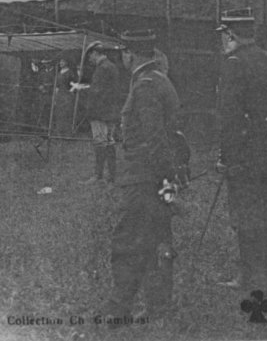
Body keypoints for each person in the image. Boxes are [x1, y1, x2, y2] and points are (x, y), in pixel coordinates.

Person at [102, 29, 182, 324]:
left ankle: (118, 308)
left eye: (122, 53)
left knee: (128, 241)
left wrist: (160, 178)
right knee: (157, 241)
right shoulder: (158, 79)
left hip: (143, 178)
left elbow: (153, 138)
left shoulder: (146, 85)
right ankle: (158, 306)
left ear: (129, 53)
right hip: (155, 176)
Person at [214, 8, 267, 296]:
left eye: (223, 34)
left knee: (246, 216)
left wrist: (226, 157)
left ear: (231, 33)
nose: (222, 40)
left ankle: (248, 277)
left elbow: (230, 118)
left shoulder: (233, 64)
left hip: (244, 157)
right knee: (266, 212)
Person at [78, 42, 122, 184]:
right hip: (111, 111)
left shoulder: (101, 68)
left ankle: (98, 175)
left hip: (99, 112)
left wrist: (83, 89)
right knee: (110, 141)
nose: (90, 60)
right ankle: (112, 175)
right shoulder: (112, 67)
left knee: (99, 142)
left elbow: (97, 91)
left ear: (95, 54)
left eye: (90, 56)